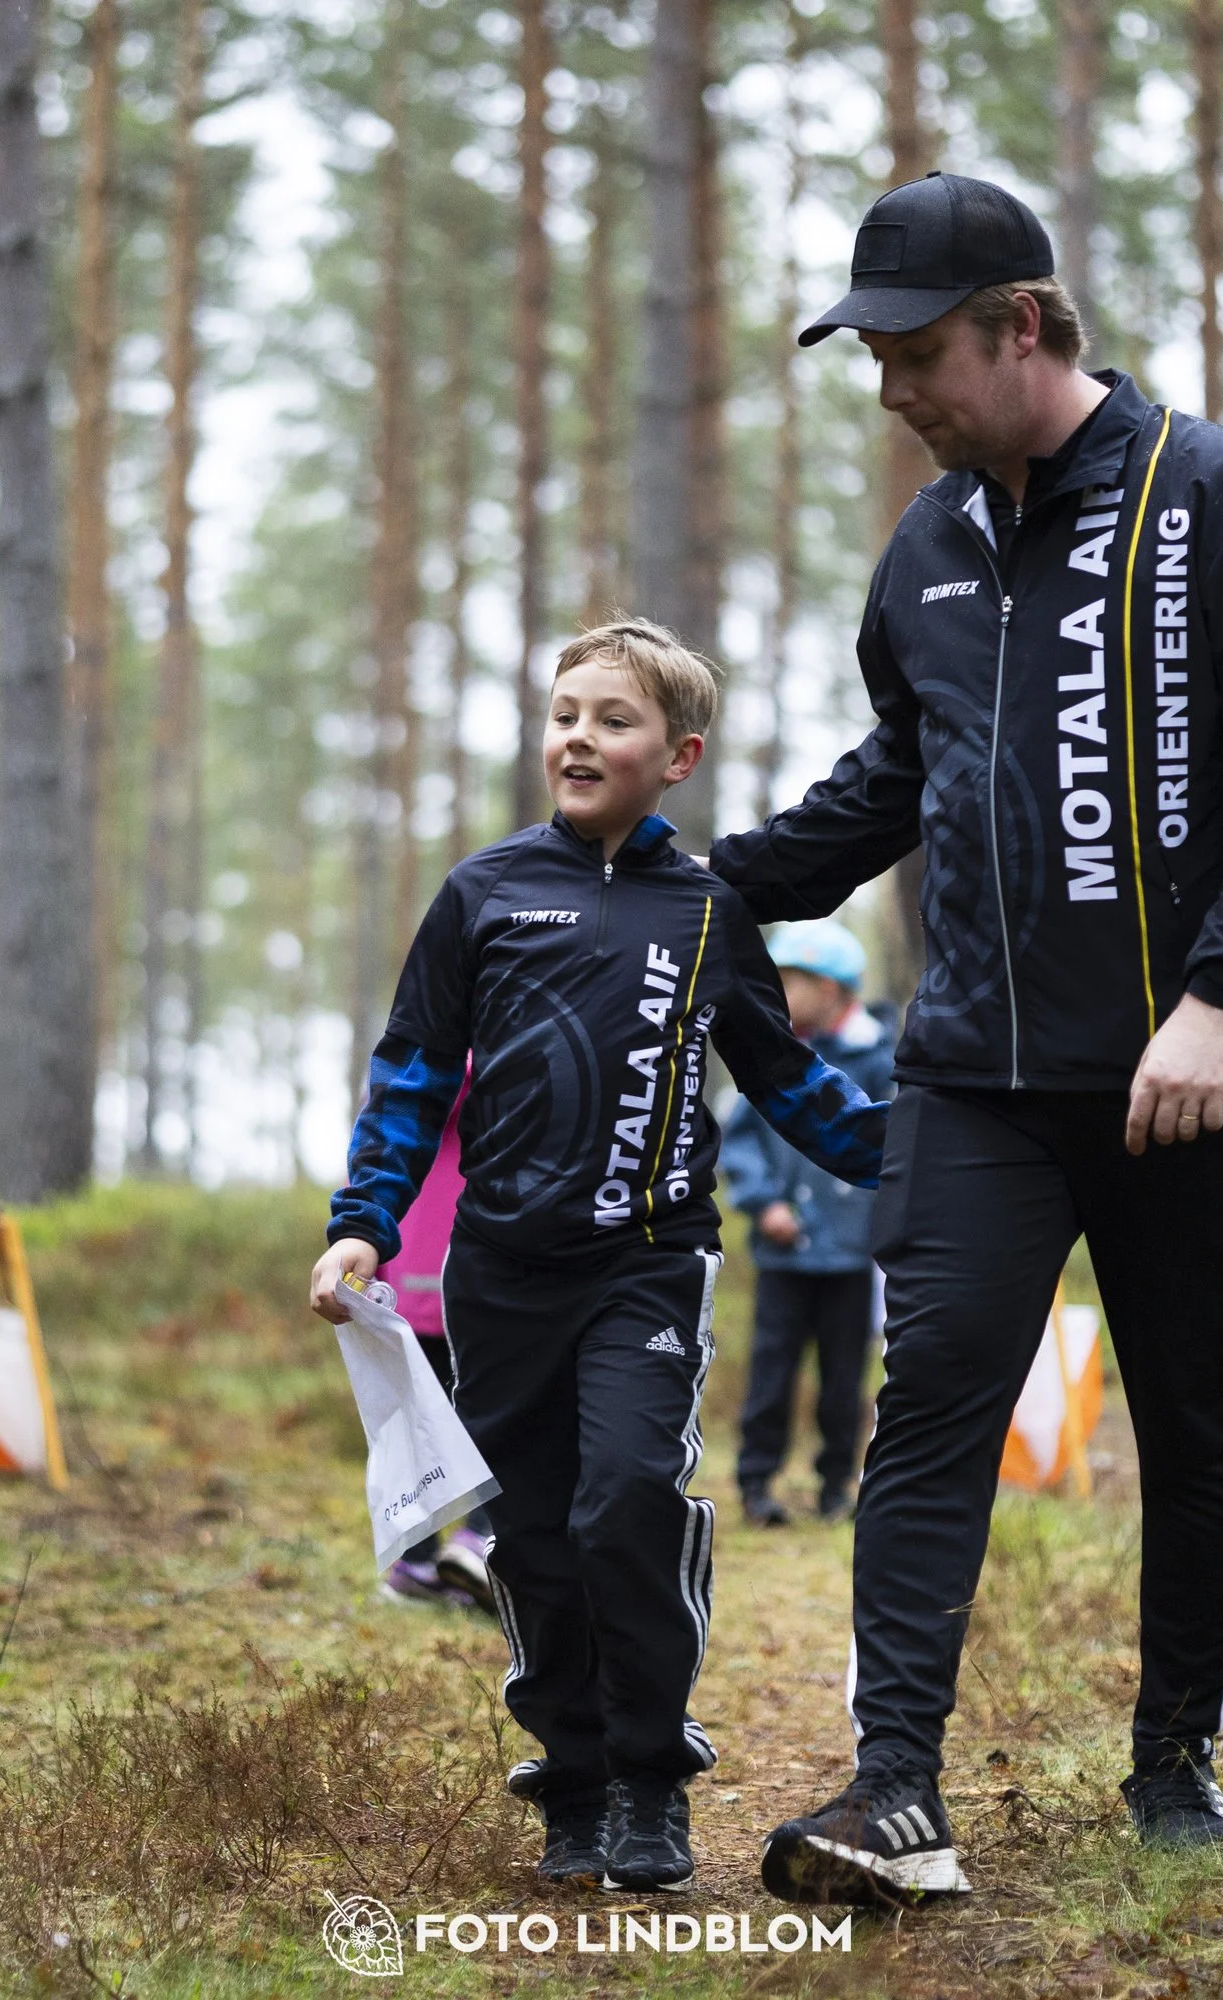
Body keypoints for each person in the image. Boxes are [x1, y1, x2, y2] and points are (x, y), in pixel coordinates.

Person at [706, 172, 1223, 1901]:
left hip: (1189, 1077)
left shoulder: (1212, 493)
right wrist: (712, 884)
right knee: (929, 1408)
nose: (894, 390)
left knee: (1195, 1428)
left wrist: (1220, 1000)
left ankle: (1176, 1763)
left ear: (1022, 328)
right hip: (976, 1074)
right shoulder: (926, 548)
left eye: (917, 353)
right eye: (874, 360)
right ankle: (894, 1790)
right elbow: (896, 779)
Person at [309, 619, 888, 1896]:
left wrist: (911, 1163)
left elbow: (787, 1080)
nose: (578, 737)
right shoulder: (481, 892)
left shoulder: (708, 909)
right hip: (500, 1273)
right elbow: (411, 1074)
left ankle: (649, 1774)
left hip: (650, 1266)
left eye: (611, 719)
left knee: (626, 1499)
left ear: (677, 756)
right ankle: (572, 1783)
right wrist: (364, 1220)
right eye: (564, 713)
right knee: (531, 1534)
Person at [718, 919, 895, 1527]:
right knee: (771, 1374)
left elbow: (893, 1143)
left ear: (829, 988)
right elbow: (740, 1138)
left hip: (851, 1256)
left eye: (787, 983)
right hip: (783, 1256)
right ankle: (756, 1483)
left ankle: (835, 1486)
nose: (778, 995)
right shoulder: (773, 1057)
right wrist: (762, 1200)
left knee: (843, 1382)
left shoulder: (879, 1058)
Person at [373, 1070, 496, 1612]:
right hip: (467, 1258)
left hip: (414, 1261)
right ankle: (477, 1540)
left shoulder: (409, 1062)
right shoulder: (489, 1057)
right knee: (492, 1410)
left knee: (418, 1420)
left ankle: (419, 1561)